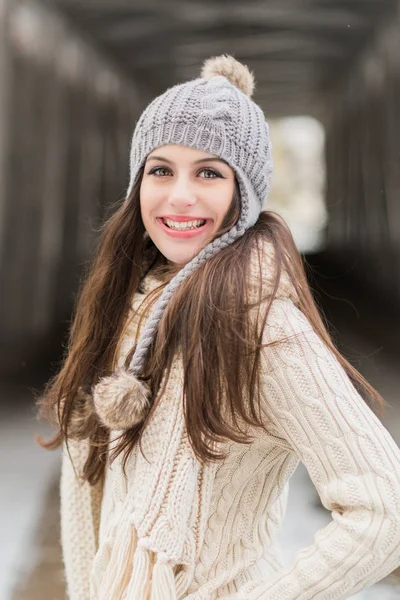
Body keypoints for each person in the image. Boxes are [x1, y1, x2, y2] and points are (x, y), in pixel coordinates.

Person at [38, 55, 400, 600]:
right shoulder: (135, 309)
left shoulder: (262, 328)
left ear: (244, 193)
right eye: (160, 170)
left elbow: (384, 510)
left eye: (209, 172)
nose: (179, 195)